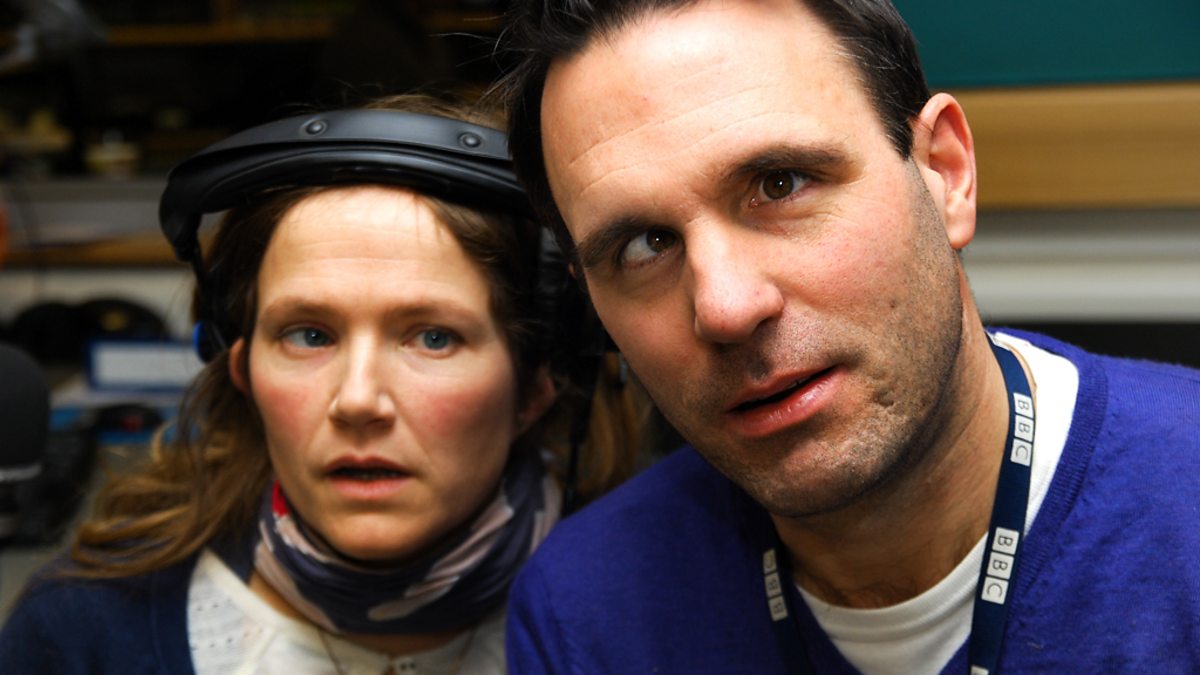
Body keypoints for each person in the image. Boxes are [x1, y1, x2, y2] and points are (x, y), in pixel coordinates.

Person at [494, 0, 1200, 672]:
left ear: (945, 173)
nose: (727, 307)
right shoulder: (586, 613)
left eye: (780, 184)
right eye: (644, 245)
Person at [0, 94, 643, 673]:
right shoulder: (80, 634)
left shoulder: (653, 622)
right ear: (241, 371)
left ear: (534, 385)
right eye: (309, 335)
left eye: (432, 337)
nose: (358, 401)